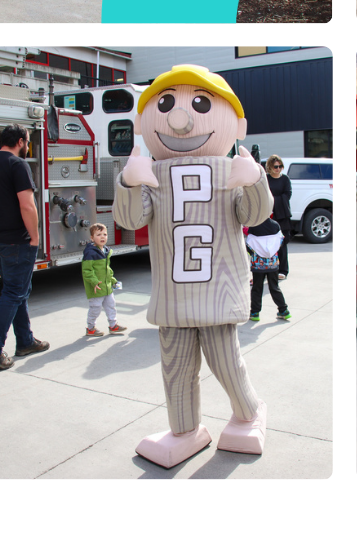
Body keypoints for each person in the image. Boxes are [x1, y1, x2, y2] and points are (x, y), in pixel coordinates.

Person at [114, 65, 274, 465]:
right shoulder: (153, 173)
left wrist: (254, 180)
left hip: (217, 287)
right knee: (175, 366)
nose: (179, 119)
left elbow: (251, 214)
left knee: (225, 361)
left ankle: (249, 412)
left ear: (237, 125)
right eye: (164, 104)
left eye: (200, 105)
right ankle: (184, 430)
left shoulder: (228, 168)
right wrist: (130, 184)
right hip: (173, 293)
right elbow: (133, 220)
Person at [0, 124, 47, 369]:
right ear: (20, 141)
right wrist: (35, 237)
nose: (27, 146)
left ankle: (25, 341)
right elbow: (27, 206)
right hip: (17, 241)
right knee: (13, 293)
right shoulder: (17, 165)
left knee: (18, 290)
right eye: (27, 142)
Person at [82, 222, 125, 338]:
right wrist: (95, 282)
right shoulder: (90, 253)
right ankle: (90, 328)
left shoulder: (105, 251)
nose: (102, 237)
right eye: (98, 234)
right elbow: (87, 271)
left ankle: (113, 325)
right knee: (95, 308)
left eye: (105, 234)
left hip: (107, 287)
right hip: (97, 287)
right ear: (92, 238)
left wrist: (113, 280)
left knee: (111, 305)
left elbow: (107, 270)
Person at [247, 217, 289, 323]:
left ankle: (255, 313)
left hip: (258, 264)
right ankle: (283, 310)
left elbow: (249, 244)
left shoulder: (254, 226)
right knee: (274, 287)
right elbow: (281, 241)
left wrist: (254, 255)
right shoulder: (275, 225)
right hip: (272, 263)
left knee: (257, 288)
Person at [266, 155, 292, 280]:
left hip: (282, 214)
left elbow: (287, 195)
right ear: (270, 167)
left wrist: (273, 200)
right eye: (276, 166)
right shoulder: (265, 179)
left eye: (280, 166)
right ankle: (268, 268)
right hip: (268, 214)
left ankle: (283, 270)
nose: (278, 169)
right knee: (267, 241)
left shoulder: (285, 179)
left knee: (282, 242)